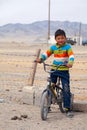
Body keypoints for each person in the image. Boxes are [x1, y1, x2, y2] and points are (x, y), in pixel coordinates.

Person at [36, 29, 74, 117]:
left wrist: (70, 63)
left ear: (65, 38)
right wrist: (41, 59)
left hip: (64, 71)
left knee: (66, 89)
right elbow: (47, 53)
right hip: (54, 70)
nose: (60, 40)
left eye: (62, 38)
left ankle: (67, 108)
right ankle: (48, 105)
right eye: (58, 38)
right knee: (50, 86)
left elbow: (71, 56)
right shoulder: (53, 47)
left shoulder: (68, 47)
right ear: (55, 39)